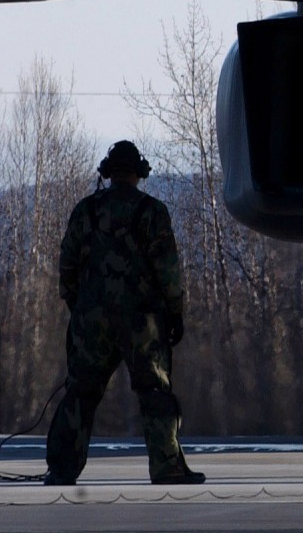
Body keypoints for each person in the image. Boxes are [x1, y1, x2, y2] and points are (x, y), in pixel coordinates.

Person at [43, 140, 204, 486]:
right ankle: (167, 467)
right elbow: (168, 271)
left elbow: (66, 264)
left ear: (107, 172)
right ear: (139, 173)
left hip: (92, 319)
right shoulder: (152, 212)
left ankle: (62, 468)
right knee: (154, 392)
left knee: (80, 392)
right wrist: (175, 314)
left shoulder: (85, 211)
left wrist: (80, 307)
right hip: (141, 321)